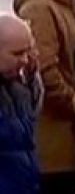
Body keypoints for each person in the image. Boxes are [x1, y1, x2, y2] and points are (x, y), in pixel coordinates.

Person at [14, 0, 75, 194]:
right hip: (54, 148)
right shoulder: (39, 10)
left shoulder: (67, 5)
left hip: (70, 143)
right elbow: (45, 74)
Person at [0, 12, 40, 194]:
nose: (24, 60)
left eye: (27, 52)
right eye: (17, 53)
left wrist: (32, 78)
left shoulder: (17, 85)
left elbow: (32, 115)